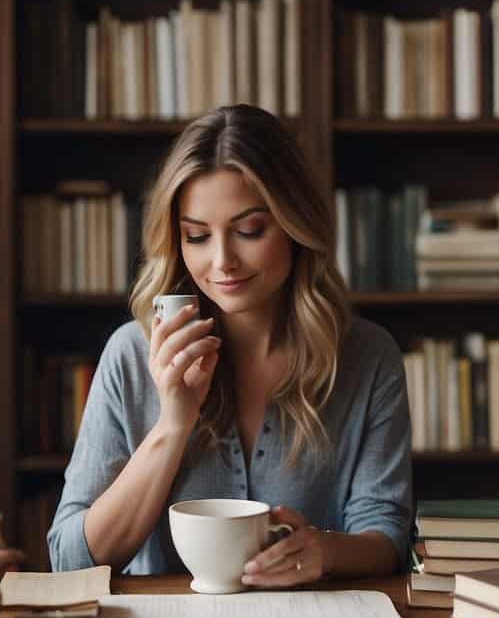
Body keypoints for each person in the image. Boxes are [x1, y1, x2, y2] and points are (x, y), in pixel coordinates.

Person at [47, 104, 412, 586]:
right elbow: (69, 561)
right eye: (197, 236)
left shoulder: (368, 356)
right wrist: (174, 423)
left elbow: (386, 534)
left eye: (249, 231)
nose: (222, 262)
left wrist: (325, 551)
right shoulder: (130, 356)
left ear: (294, 224)